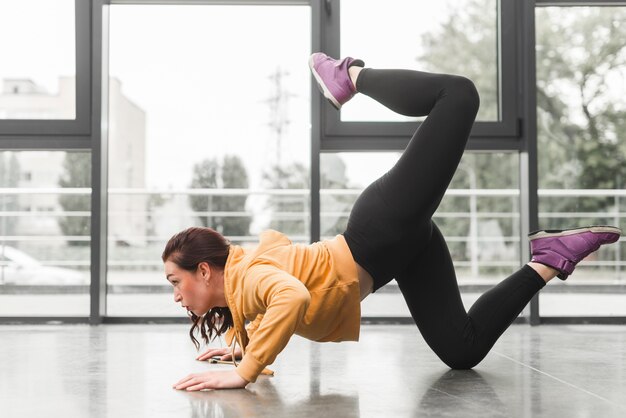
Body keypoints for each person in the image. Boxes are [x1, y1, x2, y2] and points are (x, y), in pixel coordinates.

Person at [165, 53, 622, 391]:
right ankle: (548, 259)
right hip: (395, 250)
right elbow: (268, 306)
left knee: (458, 94)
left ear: (203, 270)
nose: (175, 295)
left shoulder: (251, 277)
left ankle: (350, 76)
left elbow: (292, 295)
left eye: (174, 281)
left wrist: (243, 374)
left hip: (380, 228)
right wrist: (242, 345)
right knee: (462, 350)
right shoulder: (245, 290)